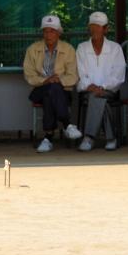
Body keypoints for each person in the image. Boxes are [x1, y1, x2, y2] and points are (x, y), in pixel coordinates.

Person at [23, 15, 82, 152]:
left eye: (52, 31)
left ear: (58, 33)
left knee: (51, 94)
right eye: (46, 31)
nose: (48, 35)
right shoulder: (32, 49)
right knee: (50, 88)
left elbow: (73, 75)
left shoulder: (68, 49)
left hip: (62, 91)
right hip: (39, 90)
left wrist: (59, 80)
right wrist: (45, 80)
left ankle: (48, 138)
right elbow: (29, 75)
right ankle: (67, 124)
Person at [75, 12, 126, 151]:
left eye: (99, 27)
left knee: (99, 96)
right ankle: (111, 138)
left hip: (109, 90)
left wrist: (103, 87)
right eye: (93, 27)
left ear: (106, 29)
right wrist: (91, 86)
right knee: (97, 97)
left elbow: (119, 74)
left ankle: (89, 137)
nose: (95, 30)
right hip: (88, 90)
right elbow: (81, 72)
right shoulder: (82, 48)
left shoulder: (115, 48)